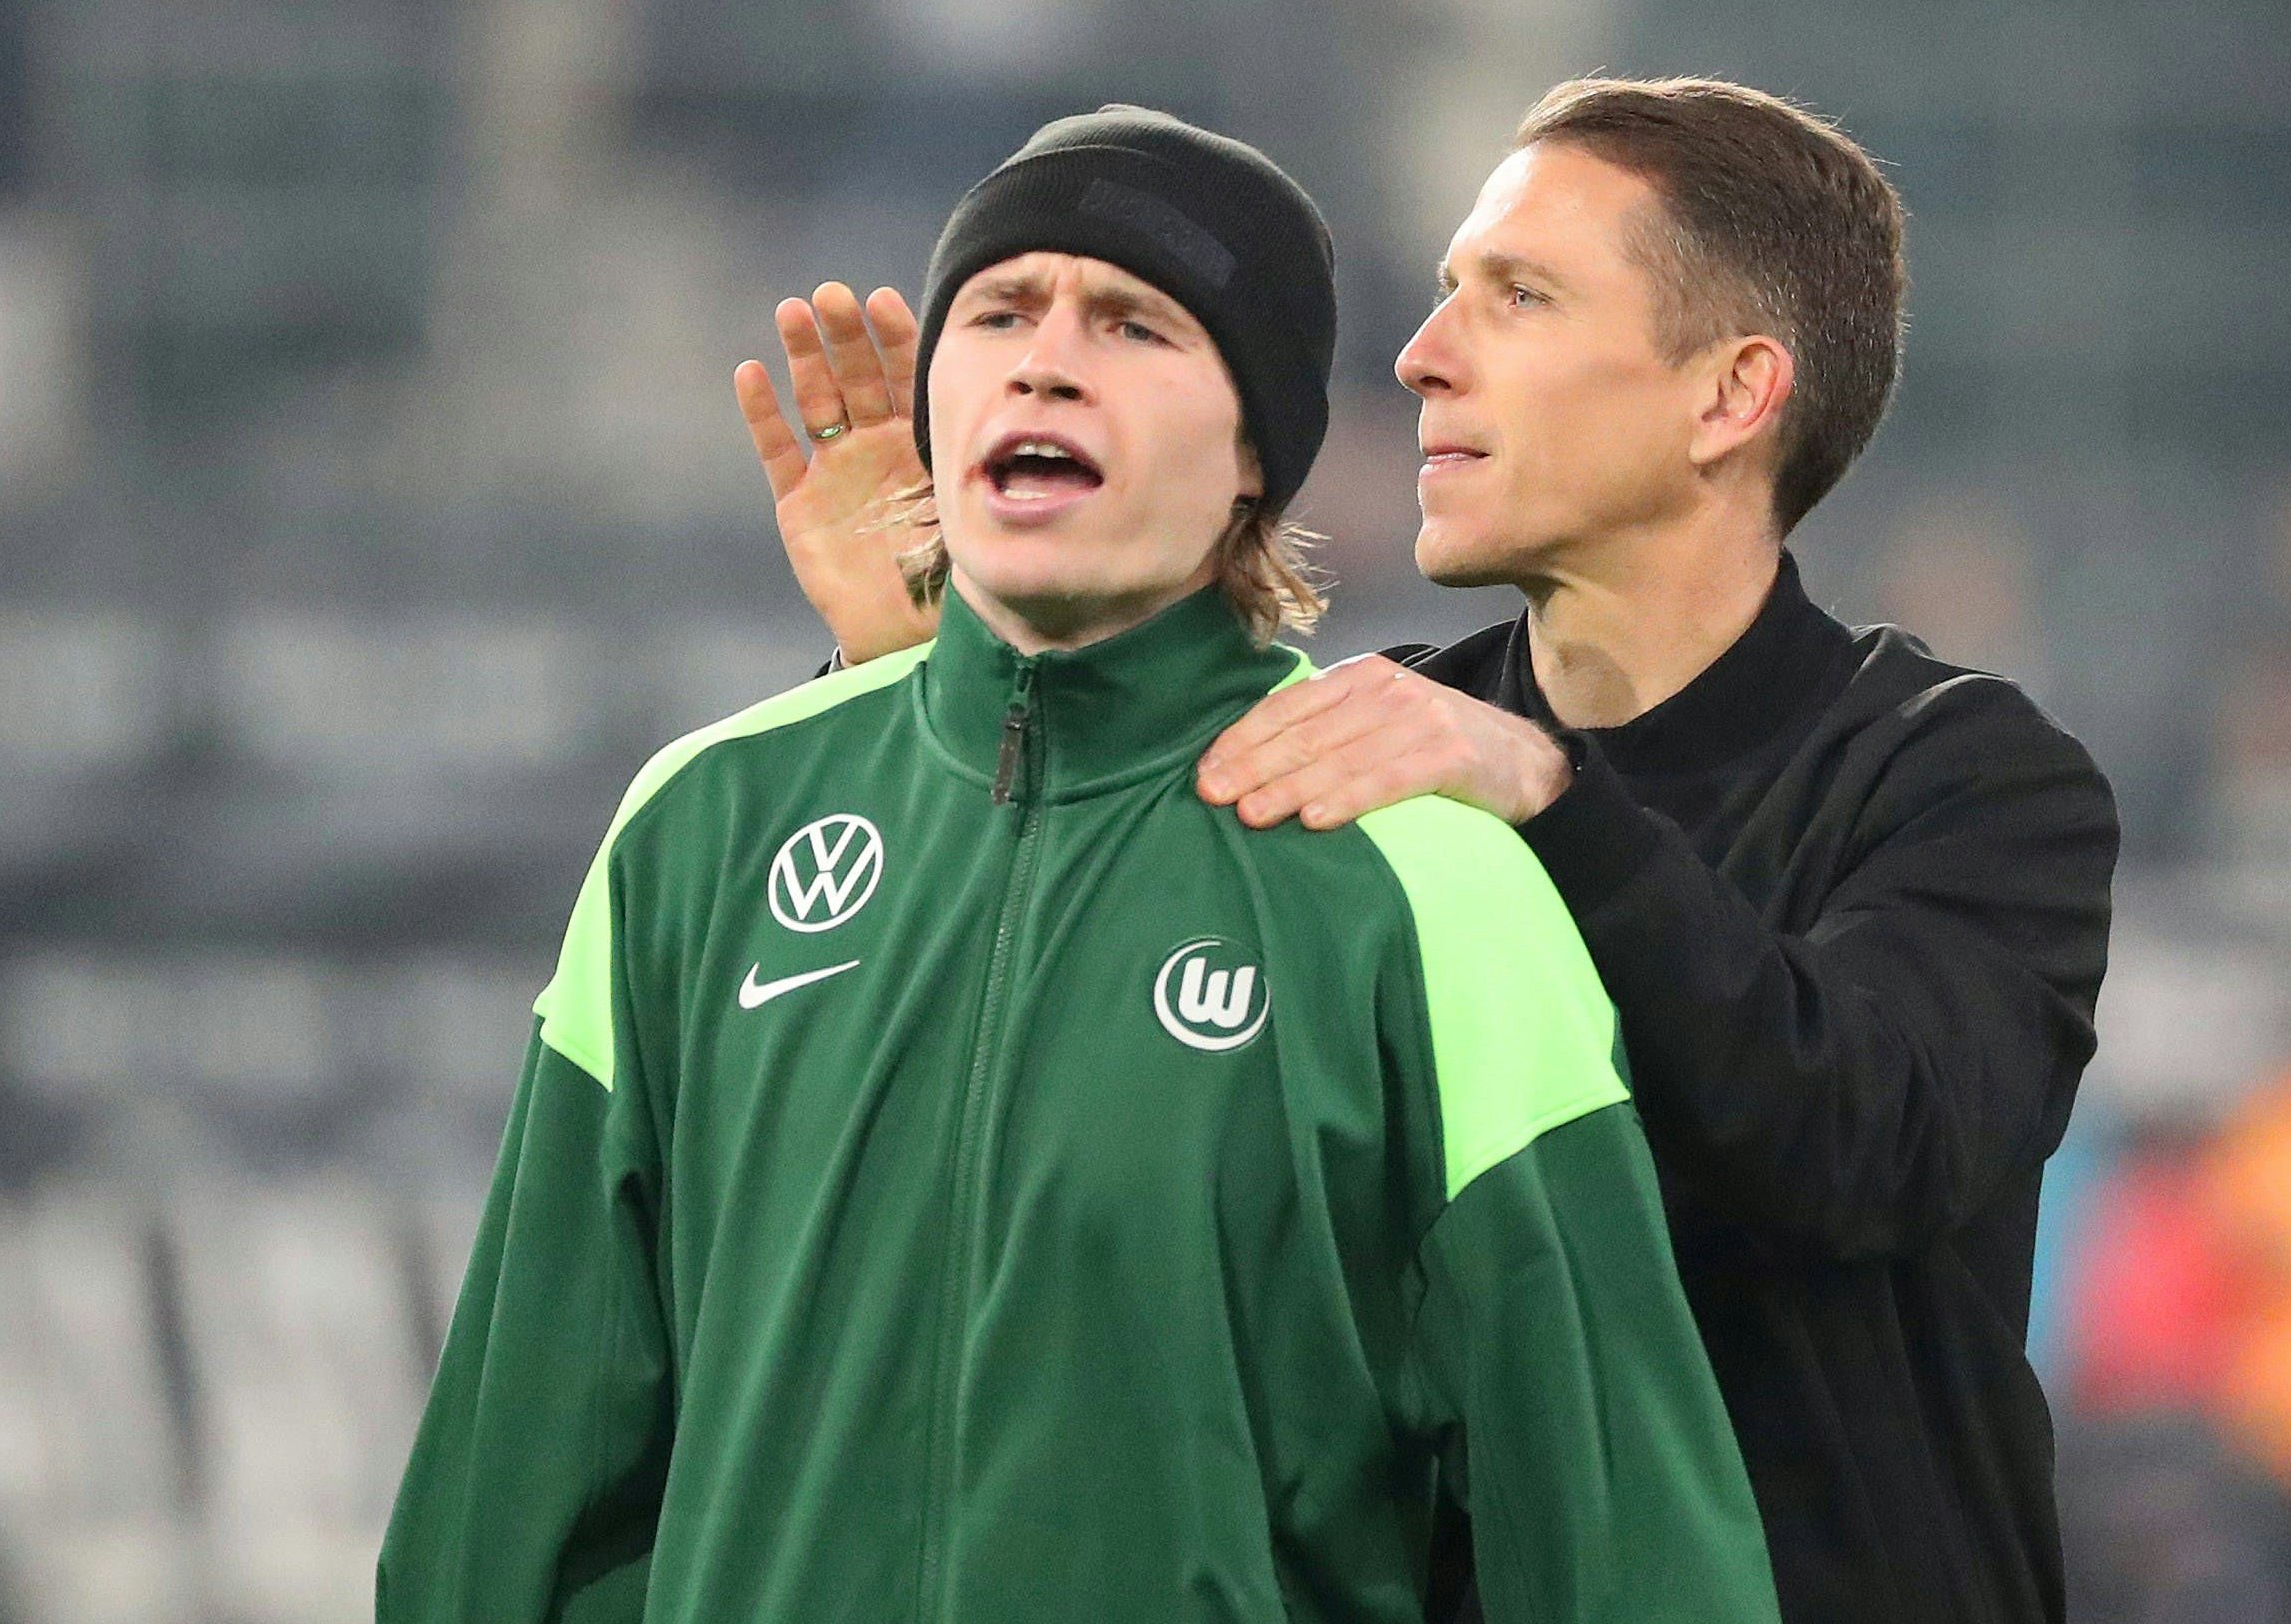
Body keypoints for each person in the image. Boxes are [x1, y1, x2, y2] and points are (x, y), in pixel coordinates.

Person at [379, 105, 1778, 1624]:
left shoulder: (1426, 884)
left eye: (1131, 324)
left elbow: (1623, 1542)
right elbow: (501, 1520)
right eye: (998, 313)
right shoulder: (705, 833)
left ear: (1255, 452)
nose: (1044, 358)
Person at [770, 78, 2122, 1623]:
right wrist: (929, 694)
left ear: (1730, 396)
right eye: (1443, 297)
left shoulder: (1966, 778)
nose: (1420, 358)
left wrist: (1555, 804)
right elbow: (1014, 1099)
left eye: (1520, 297)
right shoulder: (1375, 739)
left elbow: (1858, 1141)